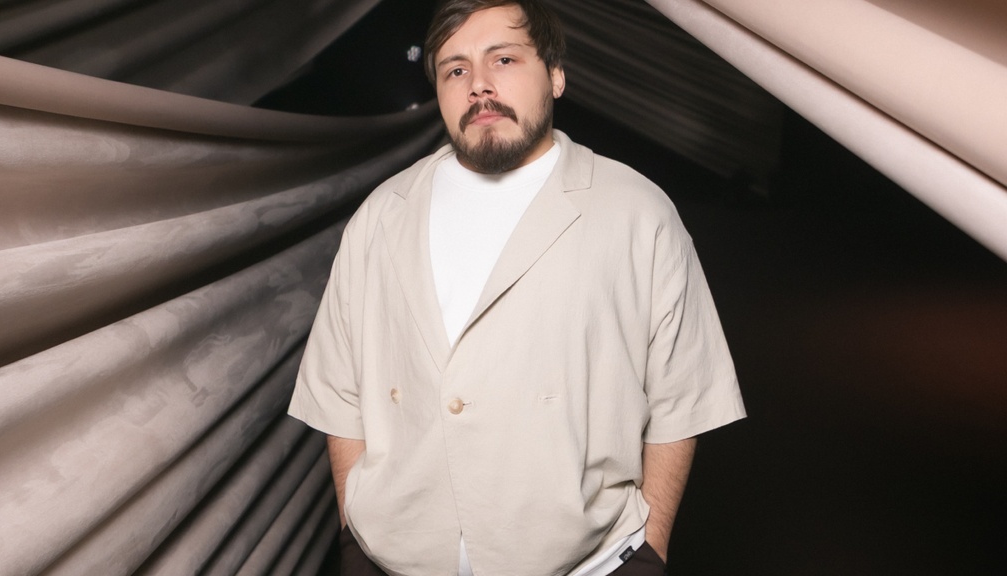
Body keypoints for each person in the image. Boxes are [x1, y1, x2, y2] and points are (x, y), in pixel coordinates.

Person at [288, 1, 746, 574]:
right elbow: (339, 394)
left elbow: (682, 399)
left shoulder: (639, 213)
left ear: (555, 75)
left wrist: (648, 553)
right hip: (392, 561)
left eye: (503, 59)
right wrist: (354, 537)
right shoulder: (381, 216)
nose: (478, 84)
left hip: (591, 565)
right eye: (456, 69)